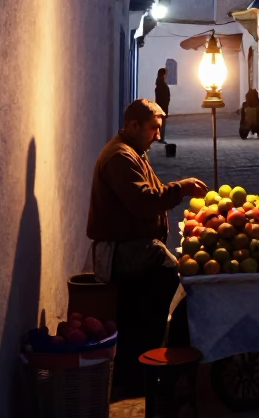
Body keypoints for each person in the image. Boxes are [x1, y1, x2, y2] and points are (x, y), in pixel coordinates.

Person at [86, 98, 206, 392]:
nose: (157, 135)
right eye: (153, 129)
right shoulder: (119, 157)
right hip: (123, 252)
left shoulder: (133, 152)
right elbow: (144, 201)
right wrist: (182, 188)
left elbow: (149, 192)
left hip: (130, 248)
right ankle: (151, 369)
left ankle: (138, 371)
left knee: (139, 311)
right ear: (133, 126)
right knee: (171, 283)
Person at [154, 67, 170, 141]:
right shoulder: (162, 86)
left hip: (160, 105)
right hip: (163, 106)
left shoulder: (159, 85)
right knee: (162, 123)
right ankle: (161, 138)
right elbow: (165, 97)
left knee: (160, 122)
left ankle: (160, 137)